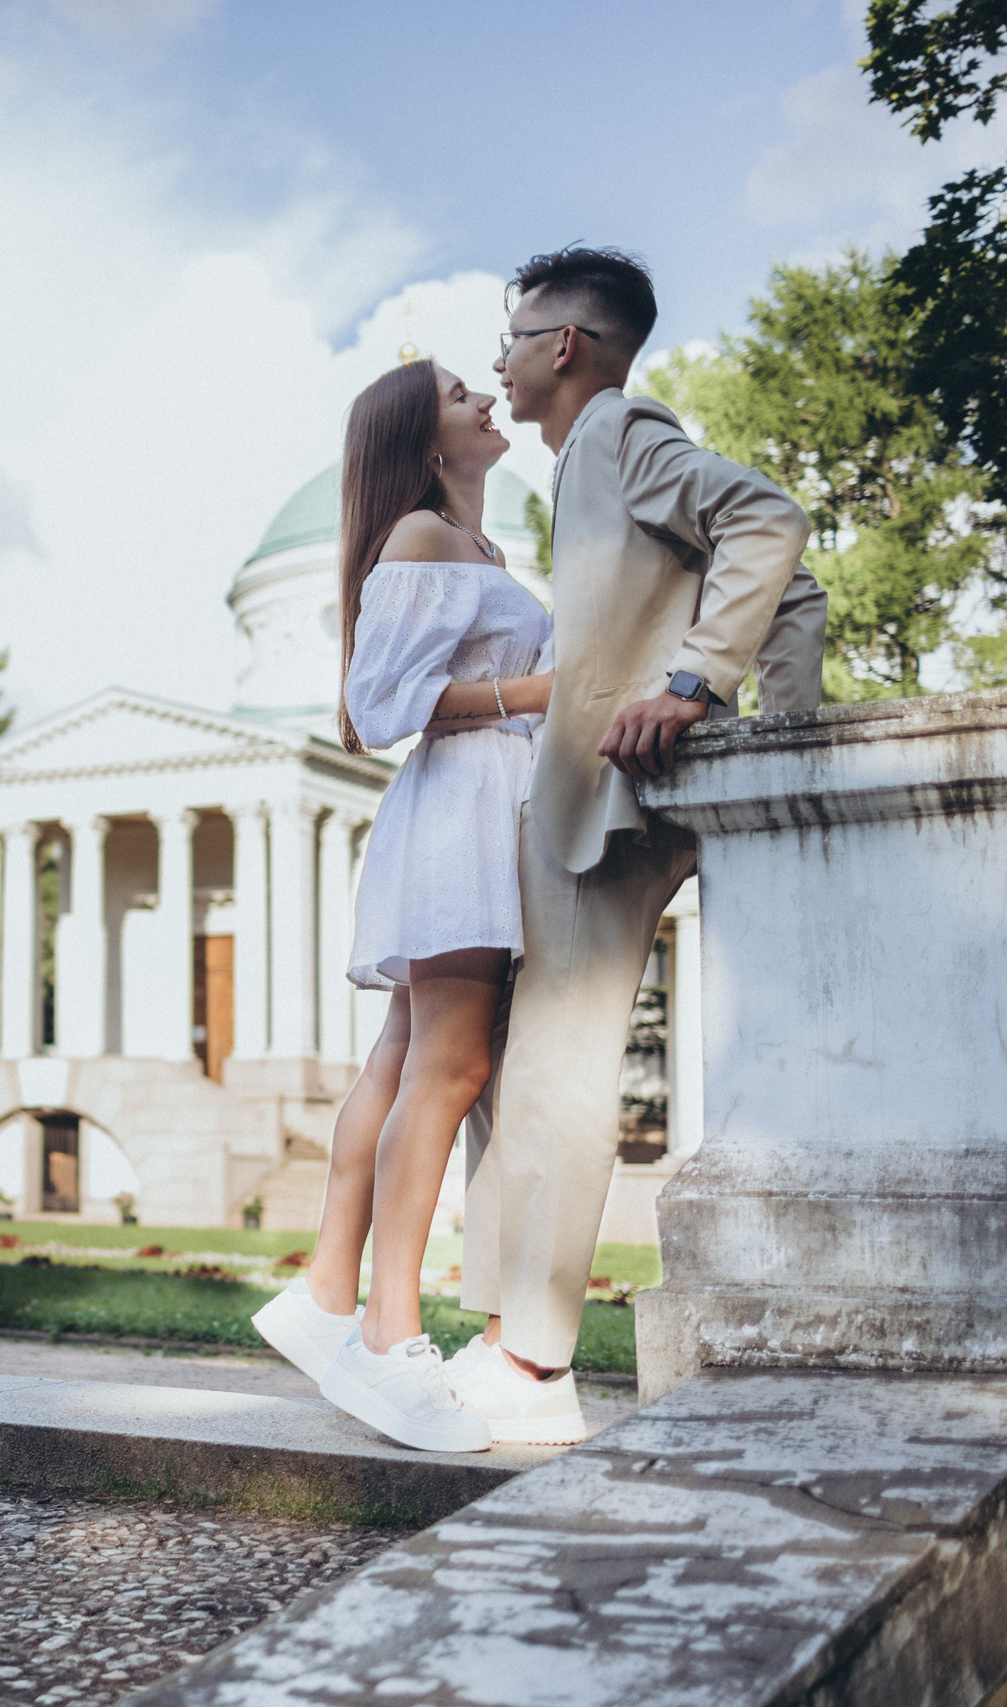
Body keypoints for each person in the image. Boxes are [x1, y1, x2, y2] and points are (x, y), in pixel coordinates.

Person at [450, 247, 824, 1440]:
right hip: (610, 800)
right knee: (511, 1057)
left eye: (512, 337)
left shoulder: (615, 433)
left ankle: (532, 1368)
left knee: (553, 1066)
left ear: (566, 345)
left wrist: (694, 691)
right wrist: (784, 733)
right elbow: (793, 592)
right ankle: (508, 1337)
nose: (499, 360)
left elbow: (770, 521)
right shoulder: (592, 463)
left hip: (602, 805)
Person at [251, 356, 551, 1453]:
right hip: (459, 810)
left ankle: (329, 1288)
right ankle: (389, 1334)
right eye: (459, 393)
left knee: (402, 1056)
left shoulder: (478, 548)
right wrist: (536, 691)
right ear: (424, 440)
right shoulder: (422, 538)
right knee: (451, 1065)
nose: (484, 398)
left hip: (483, 808)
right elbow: (374, 708)